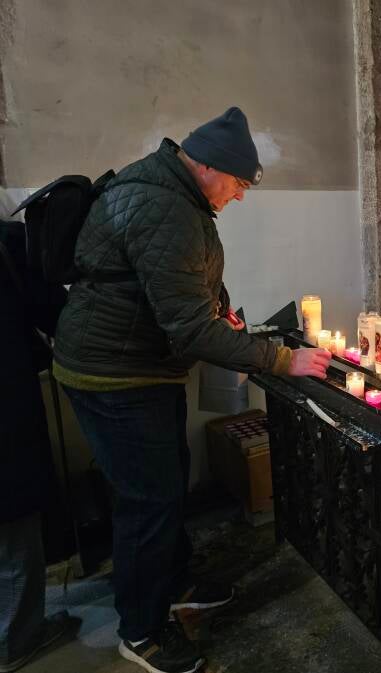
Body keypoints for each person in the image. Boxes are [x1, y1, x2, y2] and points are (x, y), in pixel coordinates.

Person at [53, 107, 332, 673]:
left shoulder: (174, 194)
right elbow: (189, 328)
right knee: (147, 501)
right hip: (116, 375)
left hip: (139, 367)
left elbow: (184, 284)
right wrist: (283, 359)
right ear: (207, 166)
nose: (240, 195)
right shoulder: (164, 206)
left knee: (166, 481)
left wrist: (222, 312)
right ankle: (142, 629)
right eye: (239, 183)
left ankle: (174, 582)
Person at [0, 191, 75, 672]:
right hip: (6, 419)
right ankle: (16, 640)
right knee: (14, 532)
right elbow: (56, 311)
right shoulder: (8, 246)